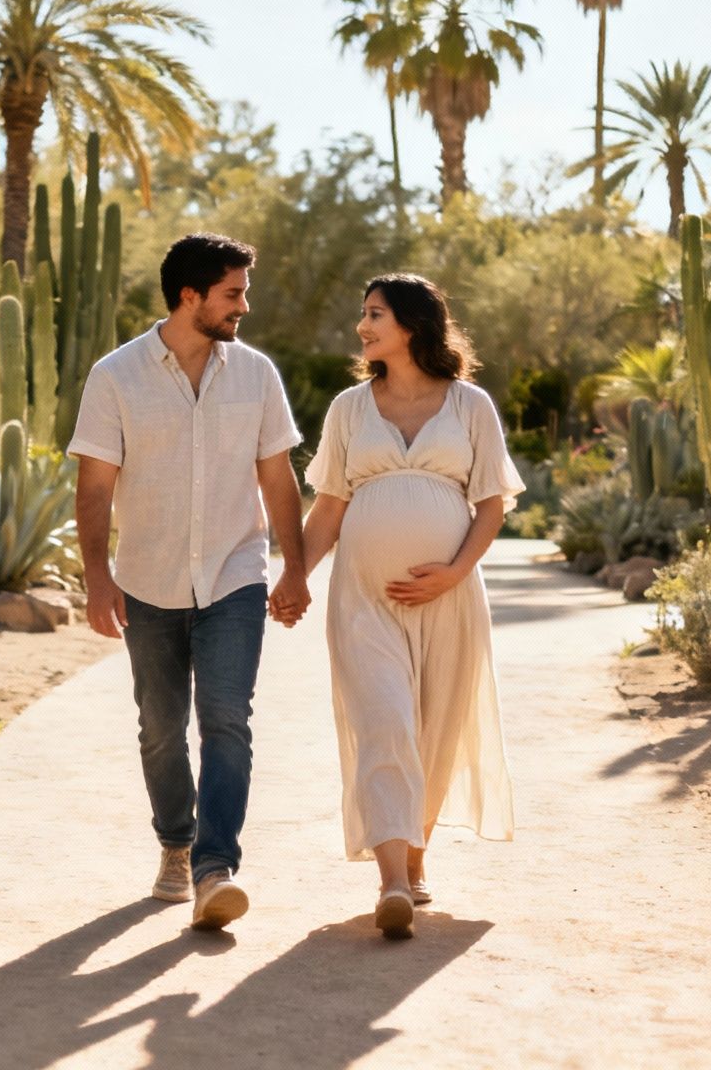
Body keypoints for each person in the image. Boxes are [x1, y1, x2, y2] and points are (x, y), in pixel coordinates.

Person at [69, 232, 311, 932]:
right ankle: (175, 843)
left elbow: (277, 477)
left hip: (235, 574)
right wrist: (97, 577)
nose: (244, 306)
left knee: (227, 719)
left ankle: (214, 869)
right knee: (160, 728)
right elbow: (94, 487)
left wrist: (294, 567)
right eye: (233, 293)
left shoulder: (256, 374)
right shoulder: (116, 376)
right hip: (148, 579)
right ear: (190, 296)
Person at [299, 273, 520, 940]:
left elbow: (491, 503)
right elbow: (329, 506)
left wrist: (453, 572)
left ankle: (417, 863)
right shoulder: (348, 409)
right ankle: (392, 881)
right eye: (363, 315)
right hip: (364, 598)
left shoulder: (469, 406)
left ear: (413, 325)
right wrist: (293, 578)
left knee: (434, 728)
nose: (362, 328)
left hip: (450, 598)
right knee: (384, 722)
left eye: (374, 315)